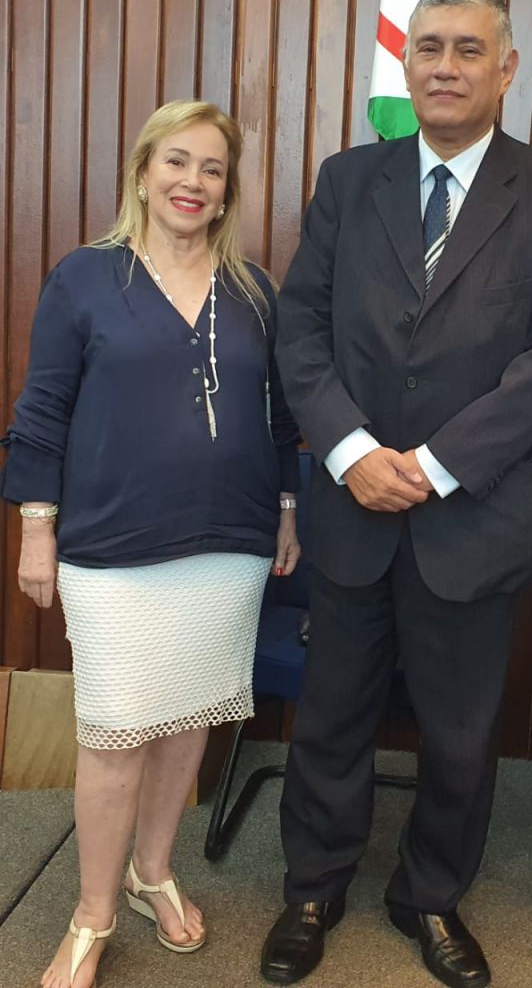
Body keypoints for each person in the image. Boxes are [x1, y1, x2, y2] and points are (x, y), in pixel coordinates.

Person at [260, 0, 532, 988]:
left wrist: (439, 464)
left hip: (477, 514)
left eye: (468, 50)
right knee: (332, 715)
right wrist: (349, 451)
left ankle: (431, 897)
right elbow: (301, 327)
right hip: (352, 505)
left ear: (508, 69)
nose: (445, 66)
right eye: (428, 48)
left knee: (459, 733)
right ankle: (313, 888)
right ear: (406, 64)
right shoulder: (348, 178)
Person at [1, 99, 300, 988]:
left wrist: (287, 508)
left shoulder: (254, 291)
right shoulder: (85, 278)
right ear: (142, 172)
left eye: (212, 169)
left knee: (188, 719)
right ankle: (92, 914)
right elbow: (41, 412)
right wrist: (36, 528)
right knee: (115, 732)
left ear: (228, 189)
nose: (192, 182)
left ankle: (152, 871)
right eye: (177, 161)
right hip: (112, 548)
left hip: (229, 540)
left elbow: (280, 418)